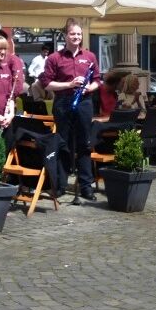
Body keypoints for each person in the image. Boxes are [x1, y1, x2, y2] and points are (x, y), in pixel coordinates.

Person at [40, 17, 101, 201]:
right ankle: (60, 184)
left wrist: (91, 87)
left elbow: (97, 79)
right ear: (65, 36)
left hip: (84, 103)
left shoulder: (90, 57)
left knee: (84, 143)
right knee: (63, 143)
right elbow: (47, 84)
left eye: (79, 34)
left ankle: (85, 186)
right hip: (64, 103)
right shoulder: (54, 58)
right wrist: (69, 84)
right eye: (72, 34)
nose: (76, 37)